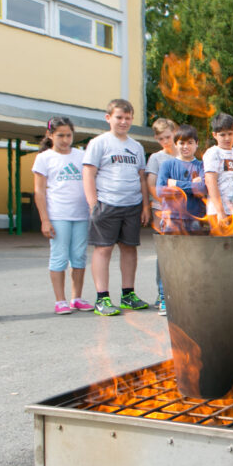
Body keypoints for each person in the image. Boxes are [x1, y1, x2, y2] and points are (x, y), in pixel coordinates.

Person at [82, 99, 151, 317]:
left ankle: (128, 295)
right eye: (119, 117)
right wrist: (93, 203)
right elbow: (88, 174)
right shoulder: (99, 143)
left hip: (132, 205)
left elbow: (142, 178)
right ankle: (102, 298)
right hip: (107, 204)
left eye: (127, 118)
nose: (123, 122)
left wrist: (145, 206)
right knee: (103, 249)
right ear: (108, 118)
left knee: (129, 249)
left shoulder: (136, 147)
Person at [32, 117, 92, 315]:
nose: (66, 140)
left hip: (81, 215)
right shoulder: (44, 158)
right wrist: (45, 220)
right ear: (50, 135)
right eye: (60, 136)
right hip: (58, 215)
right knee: (59, 257)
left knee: (79, 257)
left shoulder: (81, 155)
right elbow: (39, 192)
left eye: (69, 135)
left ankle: (77, 297)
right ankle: (60, 300)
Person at [155, 124, 207, 315]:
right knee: (168, 260)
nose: (186, 147)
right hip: (172, 218)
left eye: (190, 143)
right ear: (176, 144)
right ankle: (164, 297)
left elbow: (202, 190)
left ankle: (191, 297)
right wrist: (190, 186)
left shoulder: (201, 165)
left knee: (194, 260)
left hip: (195, 219)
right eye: (182, 143)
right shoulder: (168, 165)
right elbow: (161, 190)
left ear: (196, 144)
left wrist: (175, 184)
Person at [144, 118, 178, 307]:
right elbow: (151, 184)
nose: (165, 141)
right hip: (162, 210)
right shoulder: (156, 158)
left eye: (168, 137)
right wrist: (162, 204)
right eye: (161, 139)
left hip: (184, 211)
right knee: (164, 252)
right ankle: (162, 293)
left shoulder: (184, 153)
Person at [203, 112, 233, 219]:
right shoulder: (213, 153)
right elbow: (210, 181)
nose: (227, 138)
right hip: (218, 211)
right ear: (215, 135)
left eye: (230, 134)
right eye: (222, 135)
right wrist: (220, 211)